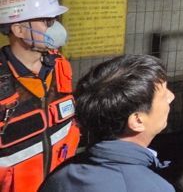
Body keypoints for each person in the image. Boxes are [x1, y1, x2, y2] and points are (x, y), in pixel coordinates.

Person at [39, 54, 175, 192]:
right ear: (137, 121)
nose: (171, 97)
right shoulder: (155, 188)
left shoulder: (60, 176)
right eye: (163, 96)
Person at [0, 0, 81, 192]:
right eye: (47, 21)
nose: (56, 27)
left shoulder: (60, 66)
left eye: (54, 19)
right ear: (18, 30)